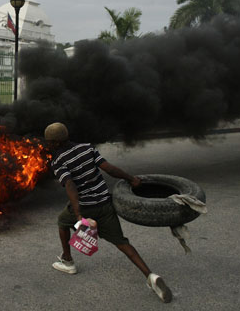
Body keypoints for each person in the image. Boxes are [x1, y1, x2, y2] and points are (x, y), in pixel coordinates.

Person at [44, 122, 172, 303]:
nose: (48, 145)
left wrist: (79, 214)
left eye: (49, 142)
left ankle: (68, 260)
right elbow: (109, 169)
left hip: (85, 207)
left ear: (55, 143)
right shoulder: (87, 148)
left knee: (62, 222)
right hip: (104, 204)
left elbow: (70, 185)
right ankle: (150, 275)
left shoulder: (58, 160)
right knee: (122, 242)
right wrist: (131, 178)